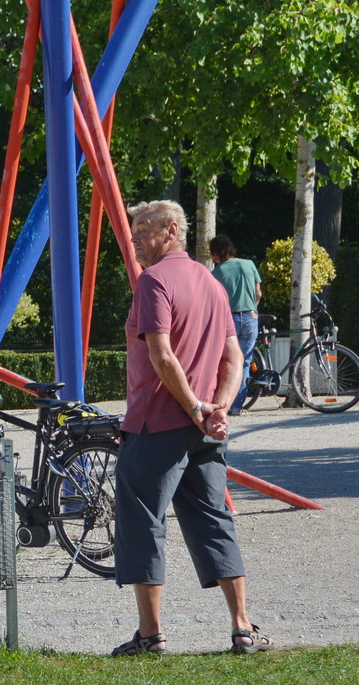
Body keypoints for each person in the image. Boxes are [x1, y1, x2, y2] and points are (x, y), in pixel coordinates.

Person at [111, 200, 269, 657]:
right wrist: (219, 408)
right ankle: (243, 627)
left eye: (144, 228)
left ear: (172, 230)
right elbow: (234, 357)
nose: (135, 237)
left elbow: (161, 355)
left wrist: (198, 406)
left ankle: (150, 635)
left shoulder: (153, 281)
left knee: (142, 521)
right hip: (202, 430)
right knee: (213, 518)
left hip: (156, 422)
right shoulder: (211, 282)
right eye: (134, 229)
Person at [209, 236, 263, 415]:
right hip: (250, 317)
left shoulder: (216, 272)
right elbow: (258, 293)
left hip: (228, 320)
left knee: (226, 361)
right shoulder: (249, 264)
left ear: (217, 252)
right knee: (244, 362)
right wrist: (252, 309)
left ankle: (224, 403)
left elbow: (214, 301)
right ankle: (236, 406)